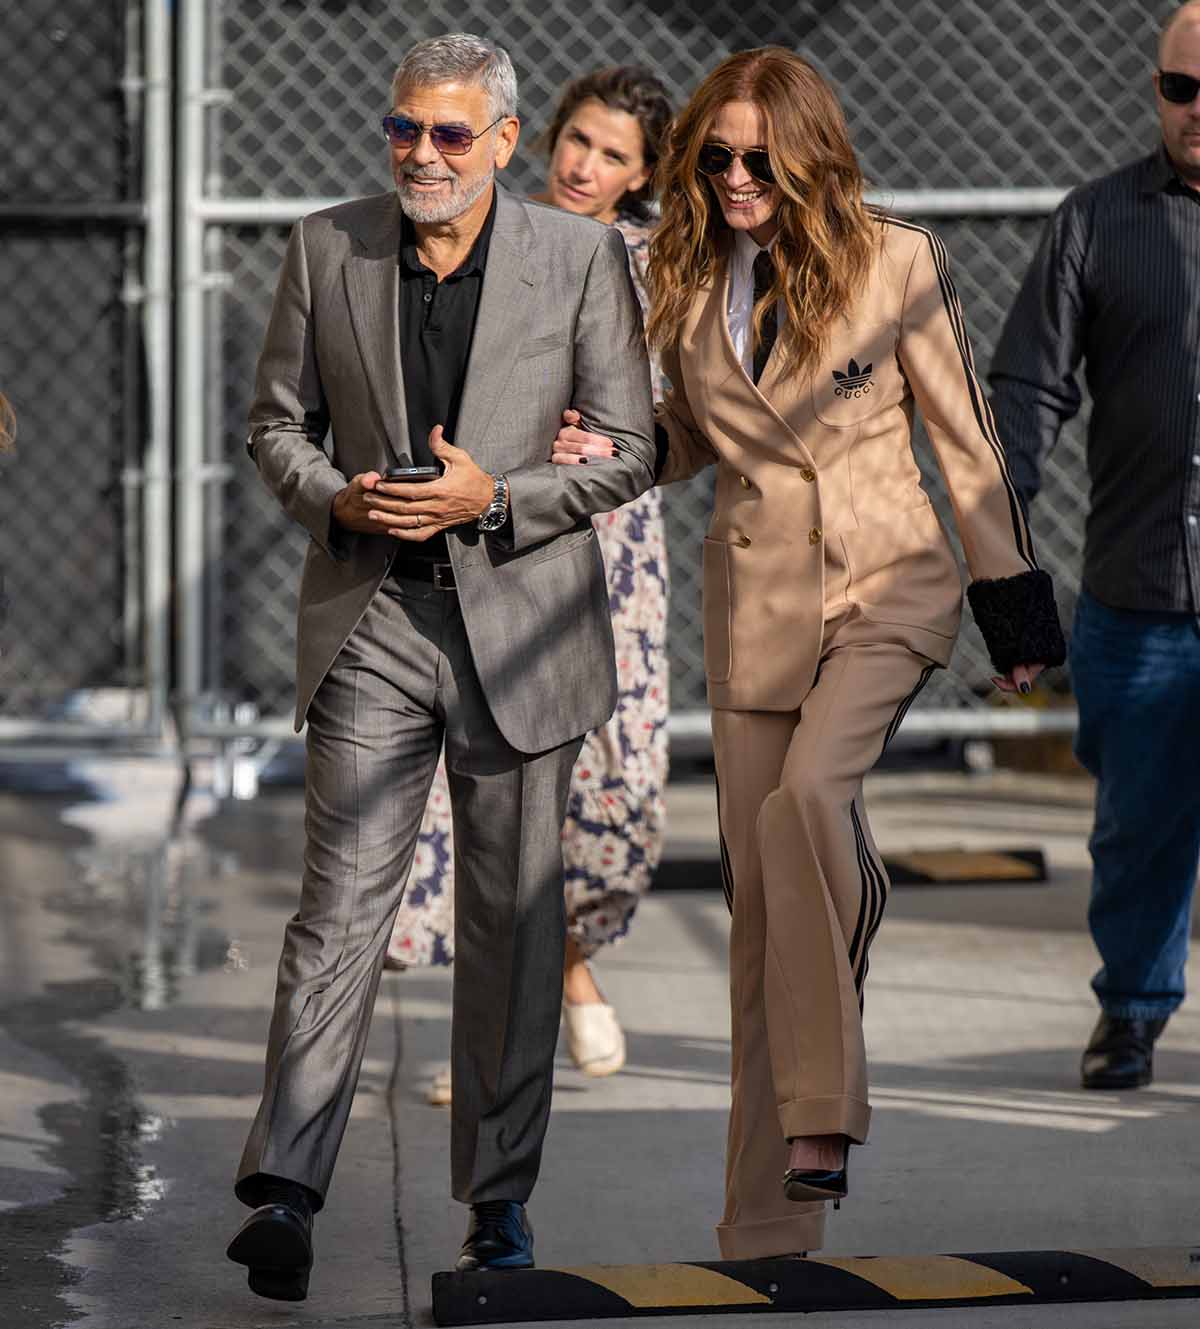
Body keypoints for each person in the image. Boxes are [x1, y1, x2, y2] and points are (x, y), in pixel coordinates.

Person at [552, 47, 1066, 1260]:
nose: (737, 179)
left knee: (809, 803)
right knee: (756, 931)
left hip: (887, 589)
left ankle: (827, 1114)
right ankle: (763, 1236)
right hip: (758, 611)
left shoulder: (898, 261)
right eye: (717, 157)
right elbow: (679, 435)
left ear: (810, 155)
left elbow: (969, 445)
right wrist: (603, 454)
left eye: (760, 160)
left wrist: (1016, 611)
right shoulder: (681, 273)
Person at [226, 33, 655, 1299]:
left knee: (513, 930)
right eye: (404, 129)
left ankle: (500, 1202)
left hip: (523, 629)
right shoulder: (327, 244)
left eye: (450, 135)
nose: (421, 154)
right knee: (339, 909)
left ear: (504, 143)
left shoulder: (578, 260)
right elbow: (273, 426)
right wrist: (339, 502)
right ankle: (287, 1189)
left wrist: (497, 495)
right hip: (374, 623)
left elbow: (630, 447)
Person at [387, 66, 674, 1095]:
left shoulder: (657, 265)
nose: (588, 167)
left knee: (616, 785)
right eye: (580, 141)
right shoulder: (490, 235)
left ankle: (570, 966)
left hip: (613, 545)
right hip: (490, 531)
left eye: (616, 155)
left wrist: (623, 433)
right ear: (541, 135)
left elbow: (687, 420)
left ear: (645, 174)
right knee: (492, 776)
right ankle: (496, 1029)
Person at [990, 2, 1200, 1092]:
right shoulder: (1096, 219)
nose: (1198, 112)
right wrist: (1005, 557)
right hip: (1140, 590)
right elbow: (1027, 392)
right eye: (1182, 90)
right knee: (1137, 831)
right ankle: (1131, 1008)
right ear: (1157, 89)